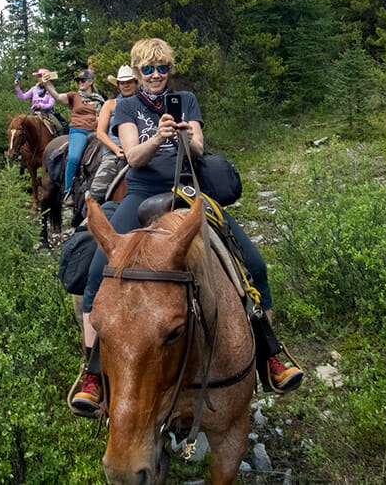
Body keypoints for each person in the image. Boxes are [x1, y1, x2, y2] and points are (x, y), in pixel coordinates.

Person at [70, 38, 302, 415]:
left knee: (255, 265)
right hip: (142, 191)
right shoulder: (126, 106)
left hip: (189, 190)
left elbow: (198, 148)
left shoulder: (187, 100)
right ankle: (93, 371)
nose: (157, 75)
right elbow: (132, 156)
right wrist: (157, 137)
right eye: (149, 69)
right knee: (98, 272)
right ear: (138, 71)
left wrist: (183, 135)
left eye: (162, 68)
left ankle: (269, 353)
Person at [42, 69, 105, 206]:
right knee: (74, 157)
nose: (80, 83)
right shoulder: (74, 96)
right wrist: (48, 84)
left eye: (82, 80)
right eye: (78, 81)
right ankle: (68, 191)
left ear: (90, 82)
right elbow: (57, 96)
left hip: (96, 132)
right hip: (79, 131)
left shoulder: (99, 100)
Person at [87, 65, 138, 203]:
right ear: (118, 85)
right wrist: (117, 150)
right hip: (114, 152)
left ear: (136, 83)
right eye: (122, 83)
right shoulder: (110, 104)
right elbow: (101, 133)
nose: (126, 85)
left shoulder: (142, 104)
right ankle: (89, 217)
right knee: (97, 190)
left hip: (139, 151)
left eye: (129, 82)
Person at [15, 68, 65, 134]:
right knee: (23, 128)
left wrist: (41, 106)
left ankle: (60, 142)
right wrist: (17, 86)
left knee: (60, 128)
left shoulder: (51, 90)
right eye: (38, 77)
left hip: (47, 113)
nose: (39, 78)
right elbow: (22, 96)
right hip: (34, 112)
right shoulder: (34, 89)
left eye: (40, 76)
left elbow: (51, 104)